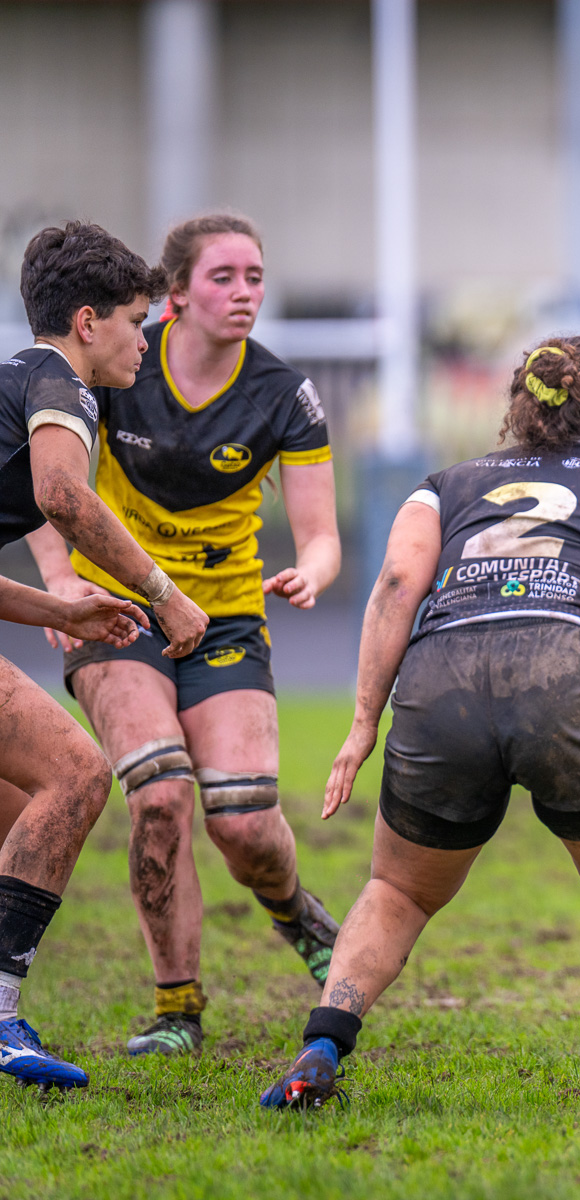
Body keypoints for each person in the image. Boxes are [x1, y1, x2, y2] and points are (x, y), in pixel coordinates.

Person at [259, 336, 580, 1116]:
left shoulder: (444, 484)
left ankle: (324, 1043)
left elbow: (399, 582)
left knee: (398, 888)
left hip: (441, 681)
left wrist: (362, 725)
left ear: (517, 412)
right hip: (564, 677)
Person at [27, 213, 343, 1058]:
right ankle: (178, 1008)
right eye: (223, 278)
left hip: (227, 618)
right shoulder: (117, 364)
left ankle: (295, 912)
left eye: (255, 277)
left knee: (243, 822)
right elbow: (51, 485)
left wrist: (313, 568)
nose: (244, 294)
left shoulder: (283, 394)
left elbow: (321, 532)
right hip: (117, 610)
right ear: (176, 295)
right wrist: (60, 579)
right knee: (159, 796)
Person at [0, 221, 212, 1088]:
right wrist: (166, 594)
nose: (145, 337)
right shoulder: (62, 384)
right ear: (87, 322)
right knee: (80, 775)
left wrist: (61, 608)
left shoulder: (15, 376)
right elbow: (64, 497)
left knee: (14, 796)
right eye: (136, 319)